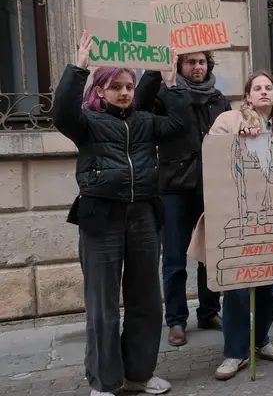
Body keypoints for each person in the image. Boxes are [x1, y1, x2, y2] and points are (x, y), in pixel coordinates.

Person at [55, 32, 189, 396]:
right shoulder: (87, 122)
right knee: (103, 307)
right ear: (101, 90)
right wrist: (78, 68)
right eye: (116, 86)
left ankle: (139, 375)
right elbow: (61, 113)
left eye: (129, 86)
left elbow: (179, 125)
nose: (126, 92)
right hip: (101, 218)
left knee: (146, 300)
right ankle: (104, 381)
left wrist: (171, 83)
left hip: (144, 215)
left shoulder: (145, 122)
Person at [187, 70, 273, 380]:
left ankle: (259, 340)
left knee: (268, 289)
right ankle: (235, 352)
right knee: (239, 289)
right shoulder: (229, 120)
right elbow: (211, 152)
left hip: (271, 217)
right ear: (247, 95)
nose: (262, 92)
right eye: (256, 87)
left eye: (268, 87)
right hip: (236, 217)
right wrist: (236, 140)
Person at [135, 51, 228, 347]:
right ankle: (176, 320)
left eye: (202, 62)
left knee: (211, 254)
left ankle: (210, 311)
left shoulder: (218, 98)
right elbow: (140, 104)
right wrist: (154, 68)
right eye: (191, 62)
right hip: (174, 186)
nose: (197, 67)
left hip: (211, 186)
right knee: (174, 258)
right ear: (179, 66)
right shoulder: (164, 94)